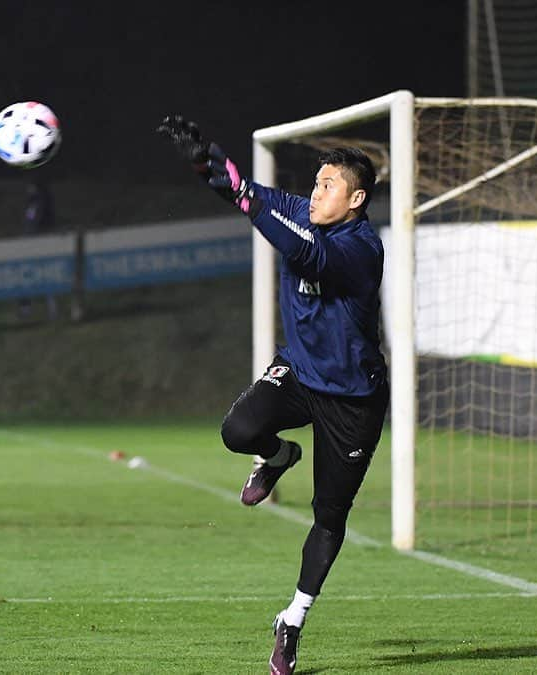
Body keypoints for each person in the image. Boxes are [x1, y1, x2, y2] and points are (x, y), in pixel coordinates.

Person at [158, 116, 389, 675]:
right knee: (237, 430)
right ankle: (279, 454)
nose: (315, 193)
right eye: (314, 184)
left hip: (353, 401)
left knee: (329, 516)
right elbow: (244, 190)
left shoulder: (362, 250)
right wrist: (205, 160)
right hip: (300, 375)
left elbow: (307, 254)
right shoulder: (298, 211)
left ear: (356, 199)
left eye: (328, 186)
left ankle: (292, 621)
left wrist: (250, 201)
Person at [18, 180, 58, 320]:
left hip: (38, 245)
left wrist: (30, 237)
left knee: (37, 275)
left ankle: (46, 309)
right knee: (33, 276)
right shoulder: (33, 203)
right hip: (33, 244)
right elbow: (29, 221)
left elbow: (33, 223)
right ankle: (31, 309)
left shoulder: (40, 204)